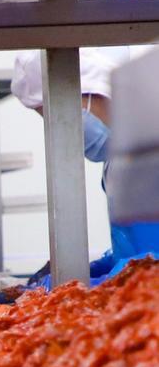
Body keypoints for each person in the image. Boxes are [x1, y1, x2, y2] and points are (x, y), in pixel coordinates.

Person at [11, 46, 159, 280]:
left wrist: (95, 285)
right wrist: (96, 270)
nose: (63, 128)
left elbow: (153, 261)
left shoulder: (151, 150)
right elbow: (134, 251)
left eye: (61, 116)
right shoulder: (117, 160)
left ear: (93, 91)